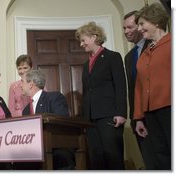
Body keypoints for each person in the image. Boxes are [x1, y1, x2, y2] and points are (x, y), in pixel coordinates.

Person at [75, 22, 127, 170]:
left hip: (110, 116)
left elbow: (120, 86)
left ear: (94, 37)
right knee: (96, 158)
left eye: (83, 40)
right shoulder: (86, 64)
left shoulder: (112, 57)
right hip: (91, 120)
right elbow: (87, 92)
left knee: (113, 157)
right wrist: (85, 120)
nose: (81, 44)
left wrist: (121, 113)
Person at [133, 3, 171, 170]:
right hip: (151, 114)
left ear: (156, 21)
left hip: (170, 108)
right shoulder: (144, 54)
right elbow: (139, 88)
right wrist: (139, 118)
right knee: (160, 155)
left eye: (142, 24)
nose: (139, 28)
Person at [13, 69, 75, 170]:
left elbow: (63, 124)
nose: (20, 85)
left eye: (22, 82)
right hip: (34, 150)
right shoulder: (26, 110)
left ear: (31, 84)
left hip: (56, 146)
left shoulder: (54, 97)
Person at [123, 11, 155, 169]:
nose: (126, 31)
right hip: (138, 116)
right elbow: (132, 87)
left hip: (157, 111)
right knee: (148, 159)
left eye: (130, 27)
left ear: (140, 26)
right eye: (124, 28)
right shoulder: (128, 57)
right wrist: (134, 116)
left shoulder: (155, 45)